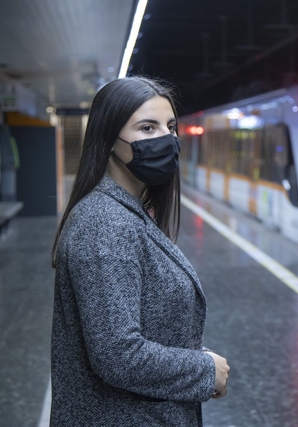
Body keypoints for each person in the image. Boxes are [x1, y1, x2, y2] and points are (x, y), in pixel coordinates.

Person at [50, 76, 229, 426]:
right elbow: (118, 355)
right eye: (147, 127)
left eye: (171, 126)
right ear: (109, 139)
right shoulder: (105, 223)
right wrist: (204, 369)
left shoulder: (125, 211)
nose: (166, 138)